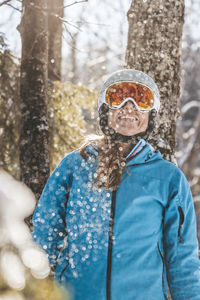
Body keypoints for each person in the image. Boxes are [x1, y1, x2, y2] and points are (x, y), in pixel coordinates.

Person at [32, 69, 200, 300]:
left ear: (151, 115)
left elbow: (182, 258)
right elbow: (44, 237)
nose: (129, 107)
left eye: (141, 99)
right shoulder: (74, 167)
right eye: (118, 97)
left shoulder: (168, 178)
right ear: (104, 110)